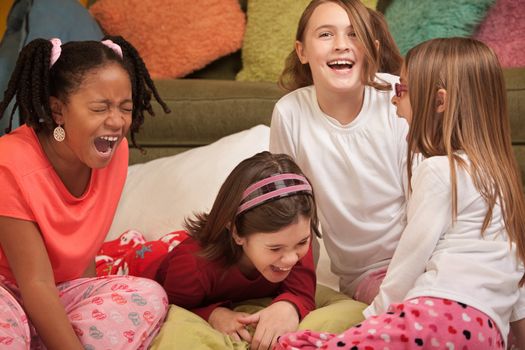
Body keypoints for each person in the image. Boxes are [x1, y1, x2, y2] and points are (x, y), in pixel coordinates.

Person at [275, 37, 525, 350]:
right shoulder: (500, 178)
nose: (394, 101)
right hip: (486, 334)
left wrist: (373, 319)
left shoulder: (438, 171)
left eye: (402, 90)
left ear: (440, 102)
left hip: (437, 315)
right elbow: (517, 283)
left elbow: (409, 262)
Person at [0, 36, 171, 349]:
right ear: (58, 110)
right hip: (7, 294)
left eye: (126, 108)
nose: (117, 122)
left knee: (148, 295)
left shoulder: (114, 153)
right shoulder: (9, 164)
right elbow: (35, 282)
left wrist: (91, 300)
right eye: (99, 108)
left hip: (57, 292)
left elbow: (83, 251)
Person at [270, 0, 408, 305]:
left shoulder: (399, 98)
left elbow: (430, 197)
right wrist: (294, 298)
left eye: (354, 34)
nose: (341, 45)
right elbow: (294, 212)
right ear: (302, 51)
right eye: (325, 35)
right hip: (368, 274)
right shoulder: (290, 114)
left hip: (427, 254)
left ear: (372, 48)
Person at [142, 151, 319, 350]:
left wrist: (289, 307)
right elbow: (169, 307)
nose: (290, 259)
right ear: (237, 233)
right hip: (145, 265)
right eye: (275, 248)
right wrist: (212, 314)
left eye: (302, 242)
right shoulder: (192, 267)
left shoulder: (293, 240)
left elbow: (302, 292)